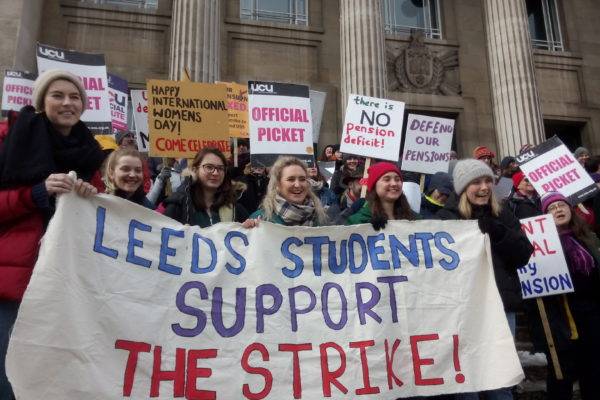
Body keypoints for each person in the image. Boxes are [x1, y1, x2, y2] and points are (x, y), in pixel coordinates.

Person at [0, 69, 104, 398]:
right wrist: (36, 193)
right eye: (57, 95)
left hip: (62, 283)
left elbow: (100, 224)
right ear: (43, 102)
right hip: (11, 281)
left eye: (74, 97)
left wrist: (89, 199)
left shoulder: (90, 153)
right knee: (6, 373)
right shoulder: (12, 138)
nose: (67, 103)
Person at [437, 159, 533, 400]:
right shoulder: (444, 218)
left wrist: (499, 232)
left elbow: (523, 254)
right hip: (462, 309)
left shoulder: (503, 213)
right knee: (467, 378)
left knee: (500, 378)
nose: (484, 187)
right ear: (462, 187)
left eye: (488, 180)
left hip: (500, 304)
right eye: (476, 182)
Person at [527, 192, 600, 399]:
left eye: (562, 205)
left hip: (591, 315)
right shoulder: (539, 247)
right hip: (562, 318)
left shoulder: (587, 236)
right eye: (552, 208)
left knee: (593, 371)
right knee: (561, 375)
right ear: (545, 217)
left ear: (571, 209)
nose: (558, 209)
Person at [163, 148, 249, 227]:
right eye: (209, 167)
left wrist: (250, 227)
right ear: (195, 170)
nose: (215, 173)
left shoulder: (236, 209)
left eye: (220, 168)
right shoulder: (178, 207)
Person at [244, 156, 328, 227]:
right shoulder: (261, 218)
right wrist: (250, 233)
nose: (297, 185)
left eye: (302, 179)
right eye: (291, 179)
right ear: (277, 184)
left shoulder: (322, 218)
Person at [347, 162, 418, 229]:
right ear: (374, 186)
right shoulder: (356, 222)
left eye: (397, 179)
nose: (394, 183)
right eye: (387, 180)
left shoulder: (416, 219)